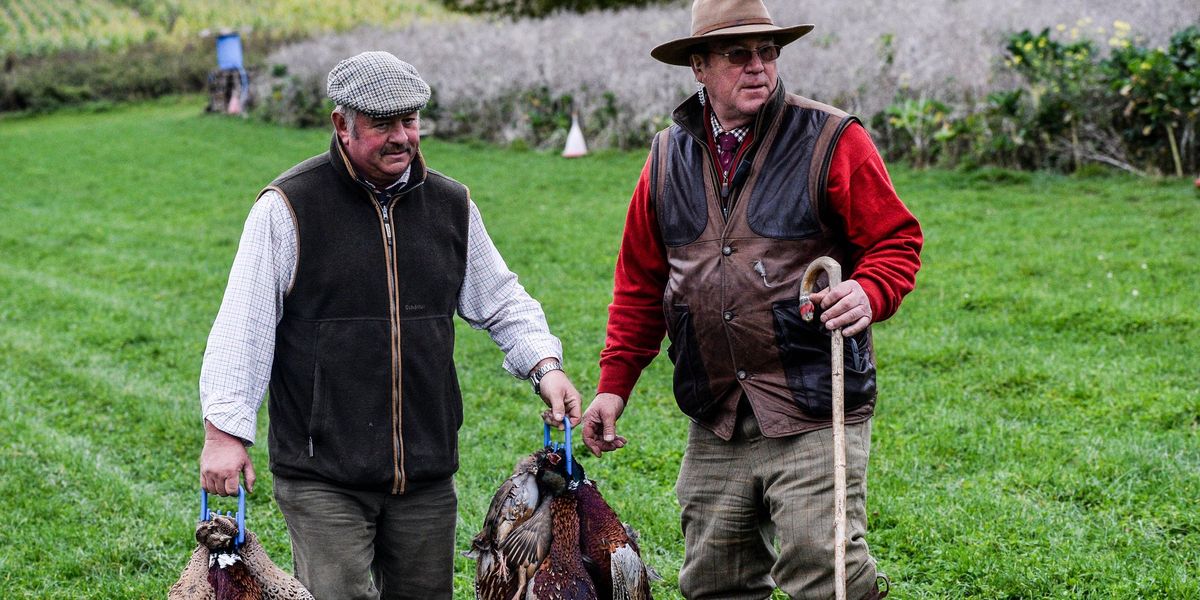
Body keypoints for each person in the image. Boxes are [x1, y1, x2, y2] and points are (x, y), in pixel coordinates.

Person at [197, 51, 582, 600]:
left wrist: (546, 366)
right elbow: (243, 325)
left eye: (411, 120)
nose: (402, 136)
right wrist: (223, 433)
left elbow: (501, 300)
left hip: (425, 469)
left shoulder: (450, 205)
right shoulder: (288, 207)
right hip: (322, 470)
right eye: (383, 124)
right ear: (341, 124)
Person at [579, 1, 923, 599]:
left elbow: (896, 240)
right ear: (699, 67)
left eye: (768, 52)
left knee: (825, 568)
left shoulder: (833, 138)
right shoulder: (665, 157)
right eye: (738, 55)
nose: (758, 67)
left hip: (814, 398)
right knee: (714, 579)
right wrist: (614, 385)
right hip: (716, 408)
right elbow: (641, 281)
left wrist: (868, 292)